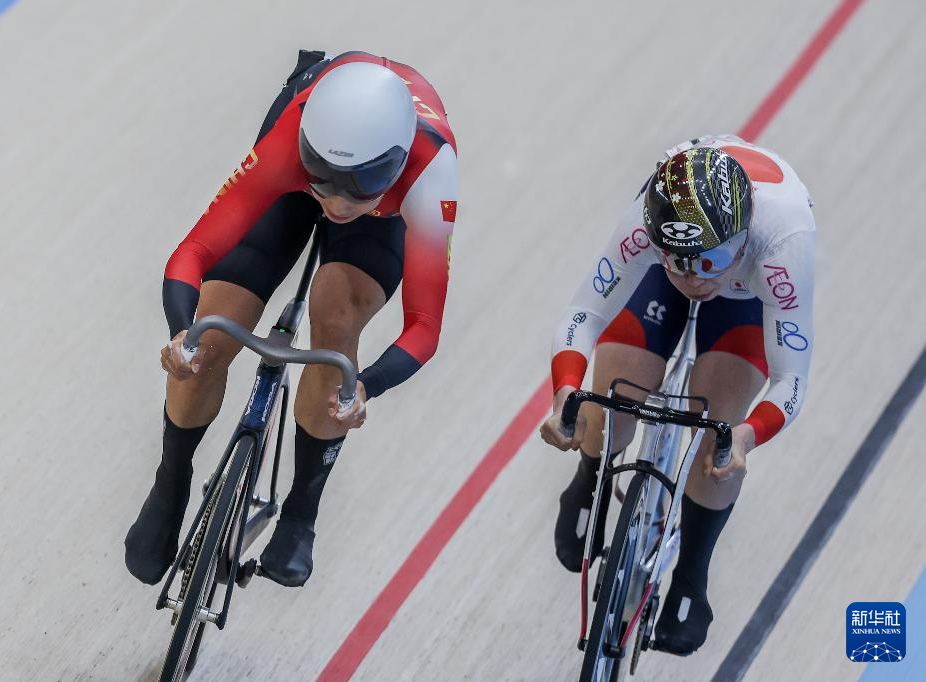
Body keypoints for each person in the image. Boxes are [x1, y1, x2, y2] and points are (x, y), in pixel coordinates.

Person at [125, 50, 458, 588]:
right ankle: (171, 481)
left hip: (385, 217)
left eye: (357, 186)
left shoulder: (430, 173)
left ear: (395, 166)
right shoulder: (293, 141)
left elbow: (424, 325)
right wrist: (180, 330)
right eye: (322, 178)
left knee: (337, 316)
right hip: (291, 174)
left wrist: (363, 386)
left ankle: (303, 509)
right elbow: (192, 252)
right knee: (212, 328)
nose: (336, 200)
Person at [540, 135, 814, 655]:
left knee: (719, 434)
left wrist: (748, 438)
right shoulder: (648, 228)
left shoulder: (783, 244)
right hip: (678, 268)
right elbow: (582, 316)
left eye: (706, 263)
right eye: (679, 261)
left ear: (741, 238)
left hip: (746, 294)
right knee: (609, 403)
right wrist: (565, 397)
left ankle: (692, 576)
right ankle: (587, 479)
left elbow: (792, 378)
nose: (692, 280)